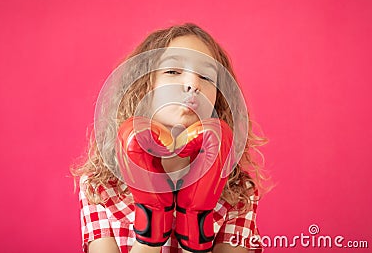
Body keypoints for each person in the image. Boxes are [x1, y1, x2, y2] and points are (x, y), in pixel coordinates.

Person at [71, 23, 269, 253]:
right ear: (143, 85)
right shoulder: (101, 187)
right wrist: (153, 219)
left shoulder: (237, 191)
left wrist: (195, 222)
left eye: (206, 76)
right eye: (173, 71)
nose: (193, 84)